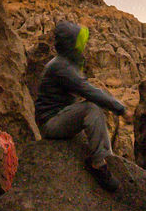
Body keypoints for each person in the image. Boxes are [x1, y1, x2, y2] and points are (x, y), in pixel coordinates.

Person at [34, 19, 126, 192]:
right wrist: (119, 107)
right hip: (50, 124)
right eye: (79, 43)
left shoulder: (62, 63)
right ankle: (99, 164)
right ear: (71, 45)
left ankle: (108, 158)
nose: (82, 47)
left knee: (91, 108)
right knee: (91, 108)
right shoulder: (61, 67)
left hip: (56, 117)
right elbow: (88, 90)